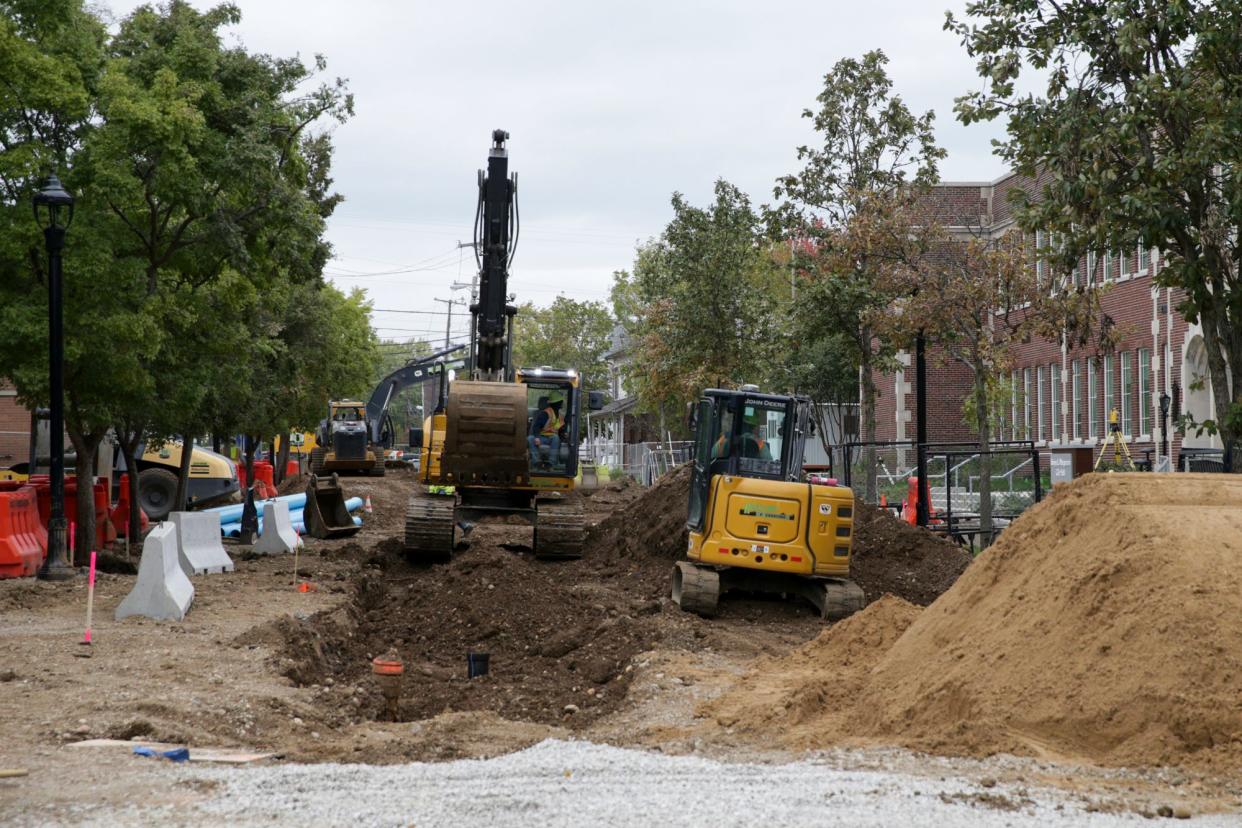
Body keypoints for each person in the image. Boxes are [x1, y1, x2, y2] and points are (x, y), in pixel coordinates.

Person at [529, 395, 563, 469]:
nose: (561, 404)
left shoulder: (560, 415)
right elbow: (536, 426)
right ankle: (536, 462)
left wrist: (565, 434)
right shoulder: (545, 413)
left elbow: (561, 428)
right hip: (541, 437)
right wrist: (537, 437)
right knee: (530, 438)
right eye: (560, 402)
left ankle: (551, 463)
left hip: (552, 438)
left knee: (556, 438)